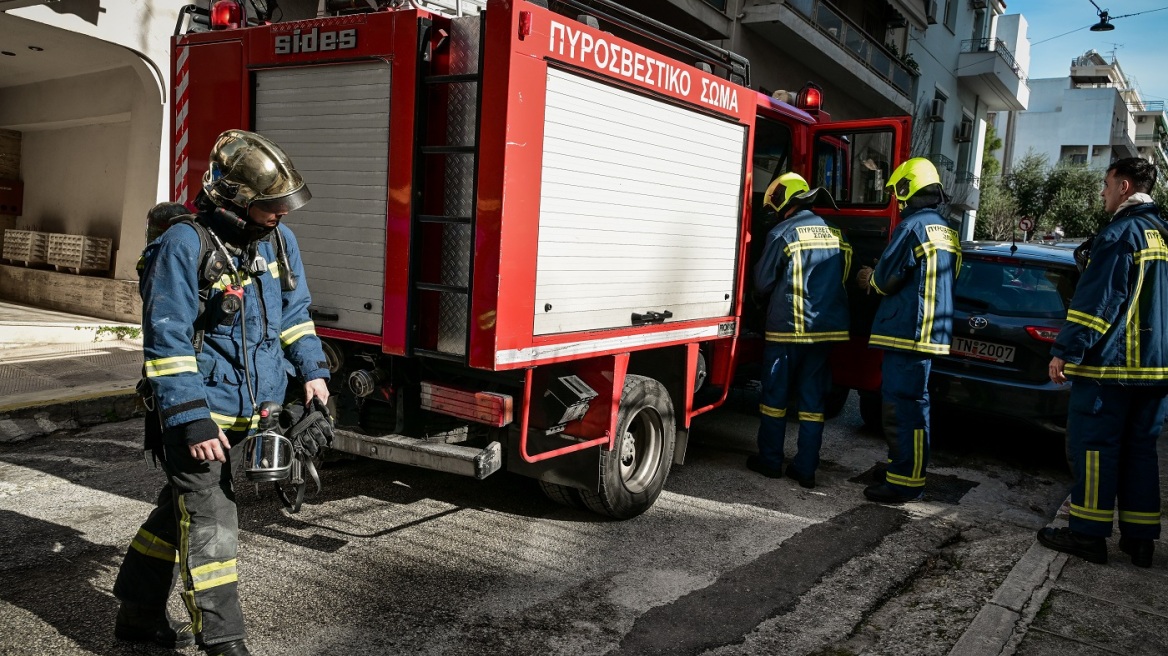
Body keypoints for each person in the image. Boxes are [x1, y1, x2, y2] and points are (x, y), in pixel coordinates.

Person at [112, 130, 331, 656]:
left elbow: (294, 316)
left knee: (179, 511)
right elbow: (166, 341)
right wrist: (190, 419)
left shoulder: (278, 241)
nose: (281, 213)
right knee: (212, 521)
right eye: (270, 205)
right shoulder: (183, 244)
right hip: (199, 415)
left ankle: (138, 612)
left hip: (255, 412)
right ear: (234, 200)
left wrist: (314, 373)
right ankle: (224, 642)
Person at [1039, 157, 1166, 567]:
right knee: (1141, 452)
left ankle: (1087, 535)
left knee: (1094, 449)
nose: (1102, 192)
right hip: (1157, 369)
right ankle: (1140, 541)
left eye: (1107, 184)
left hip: (1112, 368)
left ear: (1124, 186)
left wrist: (1066, 350)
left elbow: (1098, 304)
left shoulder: (1121, 234)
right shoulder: (1163, 235)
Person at [856, 157, 960, 504]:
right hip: (932, 332)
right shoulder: (946, 231)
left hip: (906, 331)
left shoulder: (912, 228)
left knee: (901, 407)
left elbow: (886, 280)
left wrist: (869, 277)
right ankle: (905, 469)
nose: (897, 202)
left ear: (907, 189)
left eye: (898, 194)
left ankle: (903, 482)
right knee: (917, 406)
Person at [746, 172, 851, 488]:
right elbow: (840, 281)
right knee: (812, 403)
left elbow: (762, 283)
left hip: (787, 330)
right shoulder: (836, 235)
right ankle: (806, 469)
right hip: (824, 332)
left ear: (783, 200)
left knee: (775, 399)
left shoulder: (782, 233)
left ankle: (770, 461)